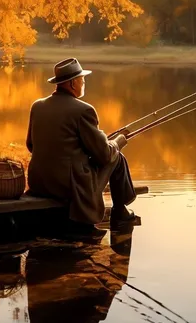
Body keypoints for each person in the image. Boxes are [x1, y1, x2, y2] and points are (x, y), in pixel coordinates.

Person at [26, 57, 137, 228]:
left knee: (111, 152)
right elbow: (105, 155)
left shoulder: (37, 106)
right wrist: (119, 141)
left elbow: (31, 145)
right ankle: (120, 211)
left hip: (39, 182)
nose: (84, 83)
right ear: (72, 84)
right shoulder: (84, 110)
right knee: (117, 157)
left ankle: (121, 209)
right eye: (82, 79)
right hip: (67, 187)